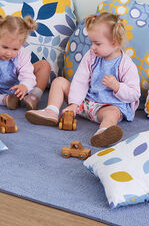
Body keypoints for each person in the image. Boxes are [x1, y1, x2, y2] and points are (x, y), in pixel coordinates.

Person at [25, 12, 141, 148]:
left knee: (113, 113)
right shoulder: (91, 56)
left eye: (97, 43)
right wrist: (74, 103)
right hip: (84, 103)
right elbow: (80, 80)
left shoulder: (126, 65)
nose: (92, 47)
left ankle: (104, 131)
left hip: (106, 107)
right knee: (59, 81)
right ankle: (52, 111)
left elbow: (134, 94)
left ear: (115, 43)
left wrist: (117, 86)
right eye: (92, 42)